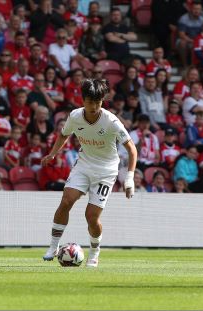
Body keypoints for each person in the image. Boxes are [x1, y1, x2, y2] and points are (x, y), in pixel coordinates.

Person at [41, 78, 137, 267]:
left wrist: (130, 177)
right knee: (66, 201)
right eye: (90, 102)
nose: (94, 106)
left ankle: (94, 252)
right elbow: (64, 135)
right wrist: (52, 154)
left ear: (102, 101)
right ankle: (53, 246)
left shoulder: (111, 121)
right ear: (82, 100)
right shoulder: (75, 116)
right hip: (84, 166)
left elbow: (131, 148)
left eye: (98, 102)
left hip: (106, 171)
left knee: (91, 216)